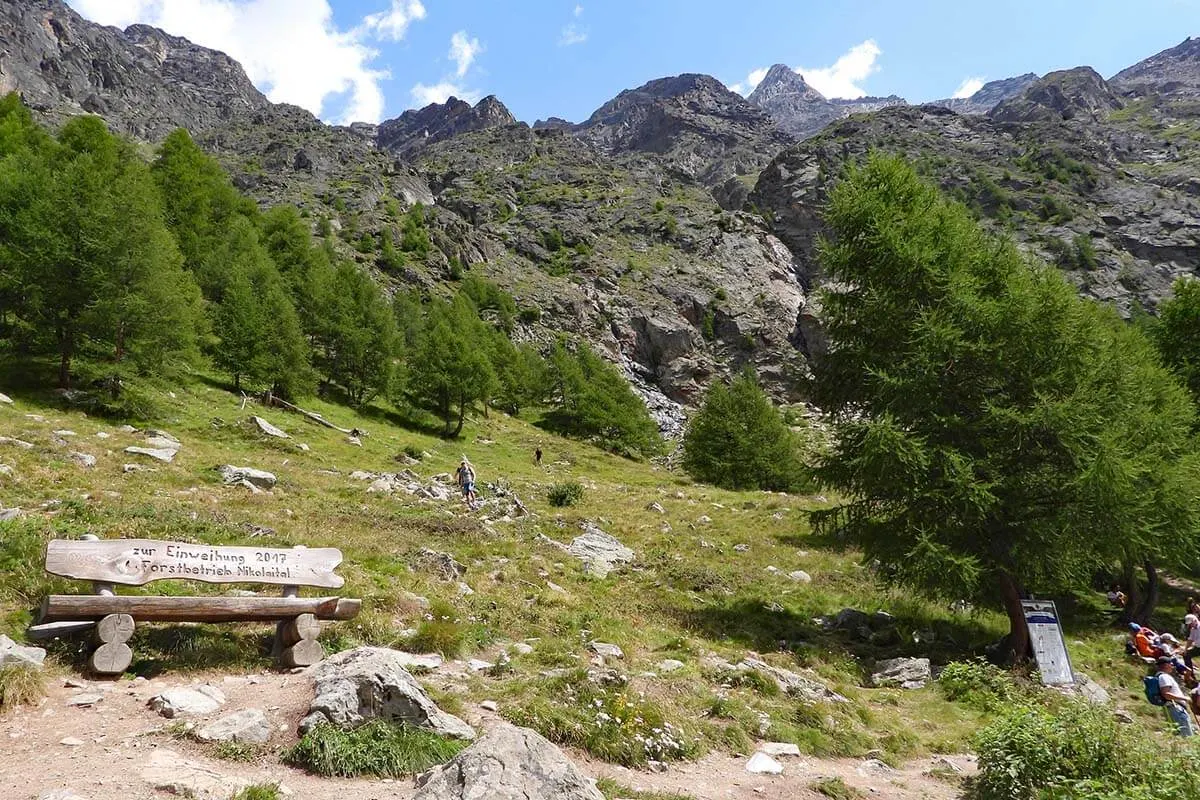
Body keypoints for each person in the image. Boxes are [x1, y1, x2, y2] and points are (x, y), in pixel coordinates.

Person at [1155, 656, 1197, 736]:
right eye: (1171, 664)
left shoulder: (1161, 676)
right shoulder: (1164, 677)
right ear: (1167, 665)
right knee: (1186, 736)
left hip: (1174, 708)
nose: (1173, 666)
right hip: (1176, 709)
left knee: (1181, 735)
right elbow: (1166, 694)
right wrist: (1185, 698)